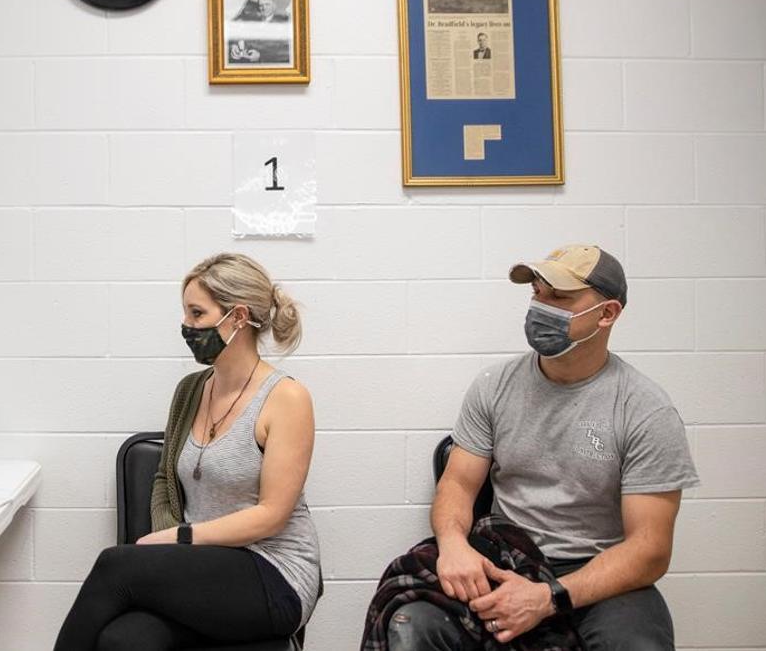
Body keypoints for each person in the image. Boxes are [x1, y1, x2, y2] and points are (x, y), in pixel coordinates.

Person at [385, 244, 699, 650]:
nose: (541, 307)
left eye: (560, 297)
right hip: (506, 554)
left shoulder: (644, 410)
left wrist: (548, 597)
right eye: (537, 293)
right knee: (414, 623)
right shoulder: (494, 386)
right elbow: (458, 485)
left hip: (598, 573)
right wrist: (453, 545)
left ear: (607, 314)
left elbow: (649, 550)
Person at [54, 253, 321, 650]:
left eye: (197, 314)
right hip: (201, 570)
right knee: (121, 641)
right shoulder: (191, 390)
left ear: (238, 317)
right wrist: (170, 549)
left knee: (116, 566)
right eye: (185, 314)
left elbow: (271, 516)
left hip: (272, 575)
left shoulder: (287, 398)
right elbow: (165, 478)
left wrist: (180, 538)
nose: (186, 326)